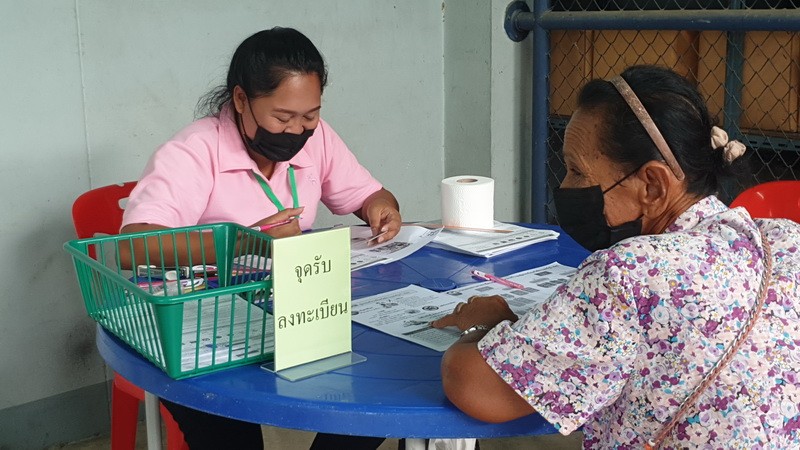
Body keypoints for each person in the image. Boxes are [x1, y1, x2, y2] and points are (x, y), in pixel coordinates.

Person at [432, 65, 800, 449]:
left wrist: (484, 328)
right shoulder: (787, 240)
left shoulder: (629, 272)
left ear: (653, 185)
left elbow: (475, 386)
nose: (565, 187)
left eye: (576, 170)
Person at [120, 27, 400, 450]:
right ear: (240, 100)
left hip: (294, 311)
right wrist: (245, 242)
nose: (298, 131)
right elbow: (133, 245)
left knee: (380, 393)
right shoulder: (196, 151)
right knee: (231, 432)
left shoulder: (318, 139)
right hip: (210, 329)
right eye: (283, 118)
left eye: (310, 116)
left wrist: (382, 206)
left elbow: (367, 194)